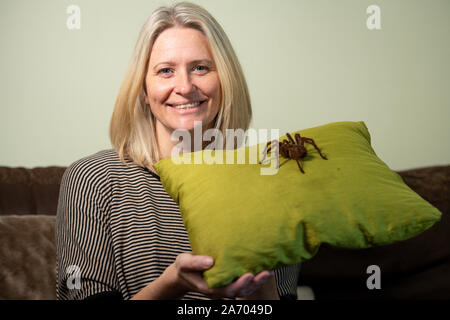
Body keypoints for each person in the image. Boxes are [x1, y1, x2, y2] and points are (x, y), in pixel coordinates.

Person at [56, 1, 300, 300]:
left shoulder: (270, 183)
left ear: (225, 80)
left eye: (200, 68)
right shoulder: (91, 179)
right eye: (165, 71)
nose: (184, 86)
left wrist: (261, 290)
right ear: (144, 90)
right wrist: (173, 283)